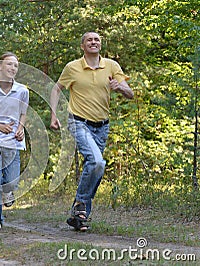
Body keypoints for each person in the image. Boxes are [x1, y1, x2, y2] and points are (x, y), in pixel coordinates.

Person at [50, 32, 134, 232]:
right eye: (89, 40)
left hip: (102, 126)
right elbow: (56, 89)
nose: (93, 42)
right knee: (96, 162)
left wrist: (119, 87)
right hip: (78, 122)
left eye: (97, 40)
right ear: (83, 46)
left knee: (96, 167)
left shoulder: (112, 66)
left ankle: (79, 215)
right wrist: (54, 114)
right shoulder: (72, 67)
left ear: (100, 44)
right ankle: (81, 206)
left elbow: (130, 93)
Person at [0, 52, 29, 231]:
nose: (12, 68)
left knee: (10, 182)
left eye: (15, 66)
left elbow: (23, 113)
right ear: (0, 66)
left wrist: (21, 127)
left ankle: (8, 192)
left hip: (13, 142)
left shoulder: (22, 91)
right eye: (9, 64)